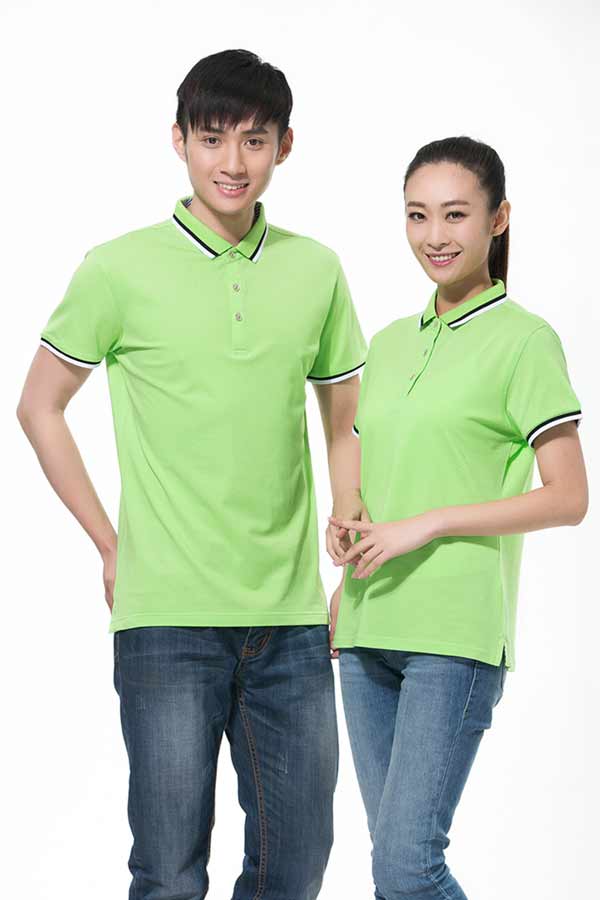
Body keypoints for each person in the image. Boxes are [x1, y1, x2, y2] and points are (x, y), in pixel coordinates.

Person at [16, 49, 368, 900]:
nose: (232, 162)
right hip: (166, 618)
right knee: (170, 873)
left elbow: (345, 415)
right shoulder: (117, 268)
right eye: (212, 139)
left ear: (286, 146)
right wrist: (111, 544)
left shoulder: (316, 268)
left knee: (296, 864)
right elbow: (39, 406)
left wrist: (351, 520)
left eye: (255, 140)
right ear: (178, 140)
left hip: (288, 619)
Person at [327, 136, 588, 900]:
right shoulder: (388, 344)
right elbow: (375, 478)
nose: (434, 235)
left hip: (453, 636)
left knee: (408, 868)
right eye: (417, 215)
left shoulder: (525, 341)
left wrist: (432, 522)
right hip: (367, 626)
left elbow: (569, 497)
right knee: (392, 866)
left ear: (497, 219)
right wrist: (347, 541)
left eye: (455, 214)